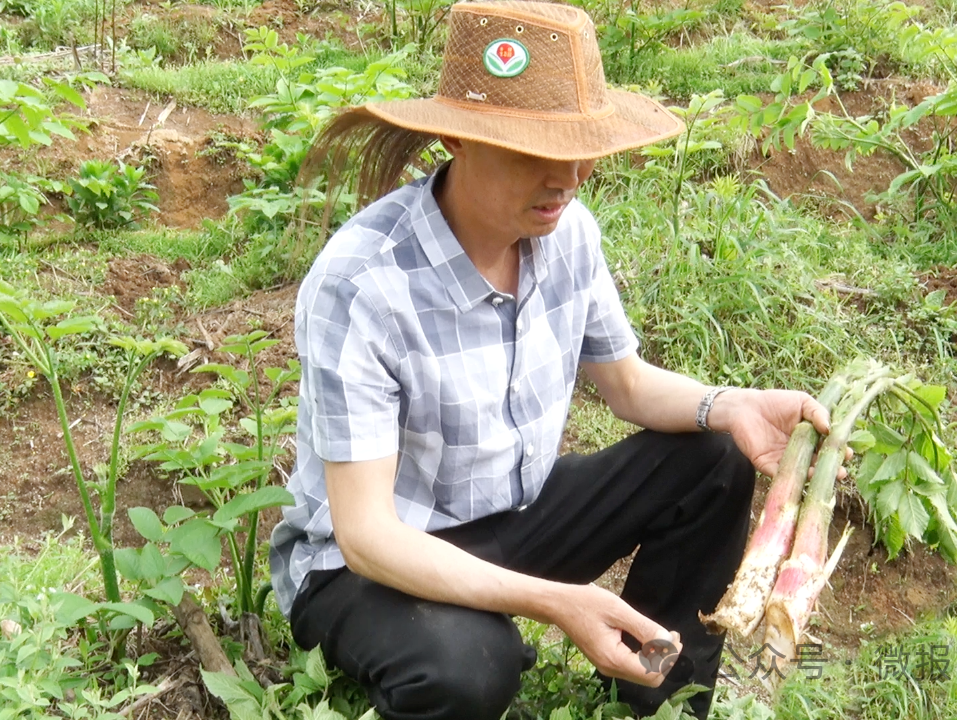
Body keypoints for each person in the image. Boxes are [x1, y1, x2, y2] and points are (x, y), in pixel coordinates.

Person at [269, 2, 839, 719]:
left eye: (579, 151)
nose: (566, 178)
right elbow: (367, 536)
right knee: (468, 670)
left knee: (712, 457)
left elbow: (627, 384)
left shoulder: (565, 234)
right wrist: (556, 602)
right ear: (458, 139)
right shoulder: (365, 286)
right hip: (372, 567)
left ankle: (656, 695)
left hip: (512, 517)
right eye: (534, 154)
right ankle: (466, 642)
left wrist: (730, 404)